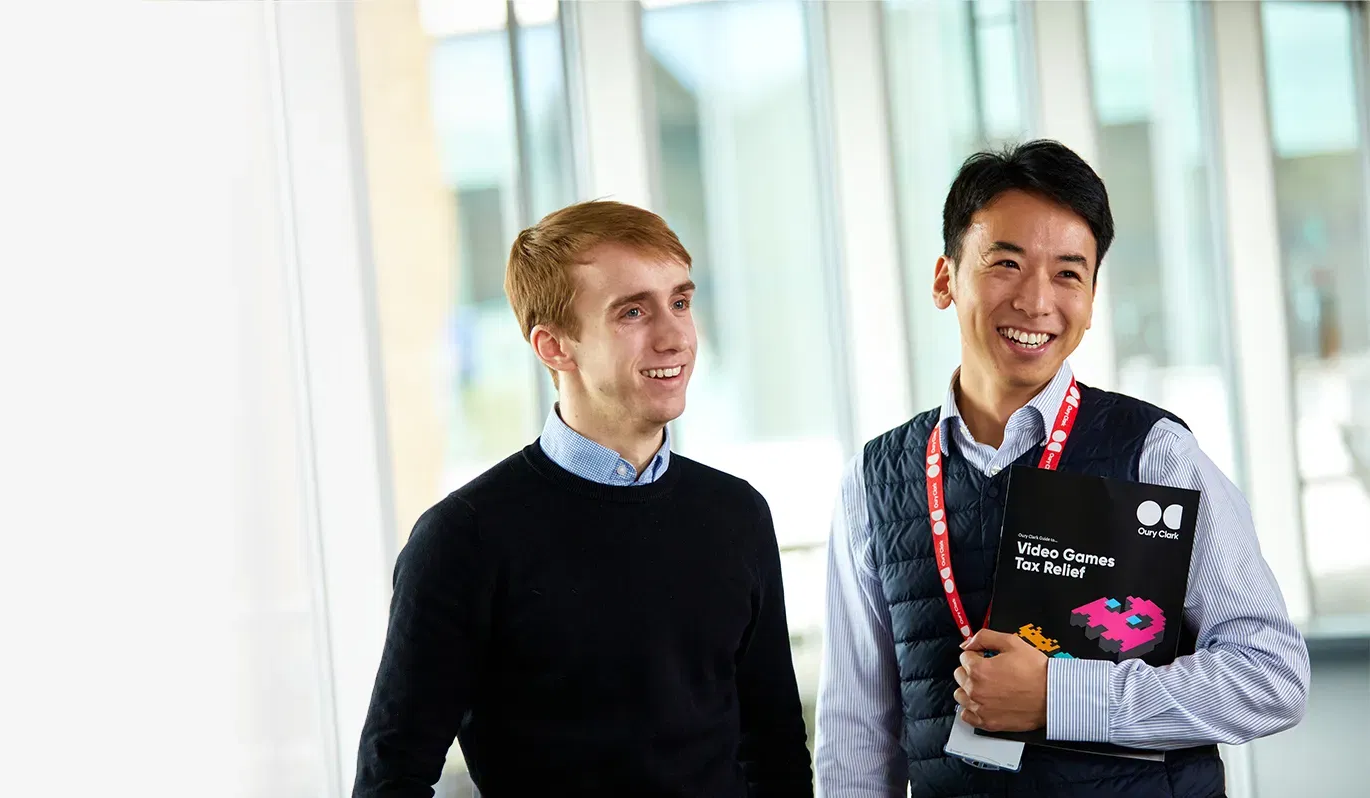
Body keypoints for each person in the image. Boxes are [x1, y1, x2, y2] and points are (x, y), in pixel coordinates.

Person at [815, 140, 1309, 798]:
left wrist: (1061, 695)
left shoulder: (1156, 453)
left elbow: (1270, 678)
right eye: (1007, 264)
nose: (1037, 300)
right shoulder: (873, 482)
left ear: (1093, 299)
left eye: (1068, 274)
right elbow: (856, 732)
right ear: (945, 278)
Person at [355, 200, 813, 797]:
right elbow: (393, 777)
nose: (675, 337)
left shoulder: (736, 513)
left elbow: (775, 751)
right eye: (632, 312)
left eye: (680, 301)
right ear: (553, 347)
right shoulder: (463, 538)